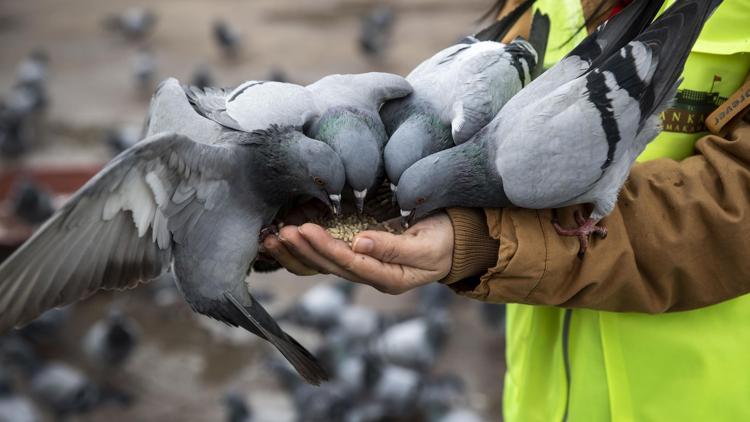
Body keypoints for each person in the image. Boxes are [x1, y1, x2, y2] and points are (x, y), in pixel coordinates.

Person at [263, 0, 750, 420]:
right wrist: (292, 200)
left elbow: (735, 206)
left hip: (693, 398)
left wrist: (487, 239)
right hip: (541, 399)